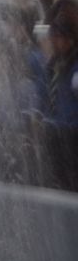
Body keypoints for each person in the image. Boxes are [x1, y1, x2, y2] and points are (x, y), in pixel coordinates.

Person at [33, 21, 78, 191]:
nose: (53, 42)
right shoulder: (52, 66)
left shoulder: (73, 66)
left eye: (58, 38)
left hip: (71, 133)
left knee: (70, 180)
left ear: (69, 40)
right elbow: (43, 95)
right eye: (52, 38)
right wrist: (39, 115)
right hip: (52, 130)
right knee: (54, 179)